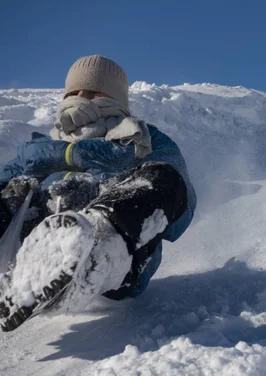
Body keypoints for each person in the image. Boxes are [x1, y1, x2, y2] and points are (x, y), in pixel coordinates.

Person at [0, 55, 196, 332]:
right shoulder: (36, 149)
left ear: (115, 98)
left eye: (92, 92)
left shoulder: (145, 140)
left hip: (120, 264)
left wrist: (84, 161)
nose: (81, 98)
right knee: (14, 192)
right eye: (73, 92)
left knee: (163, 177)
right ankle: (23, 274)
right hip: (23, 246)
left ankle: (95, 255)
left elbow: (182, 208)